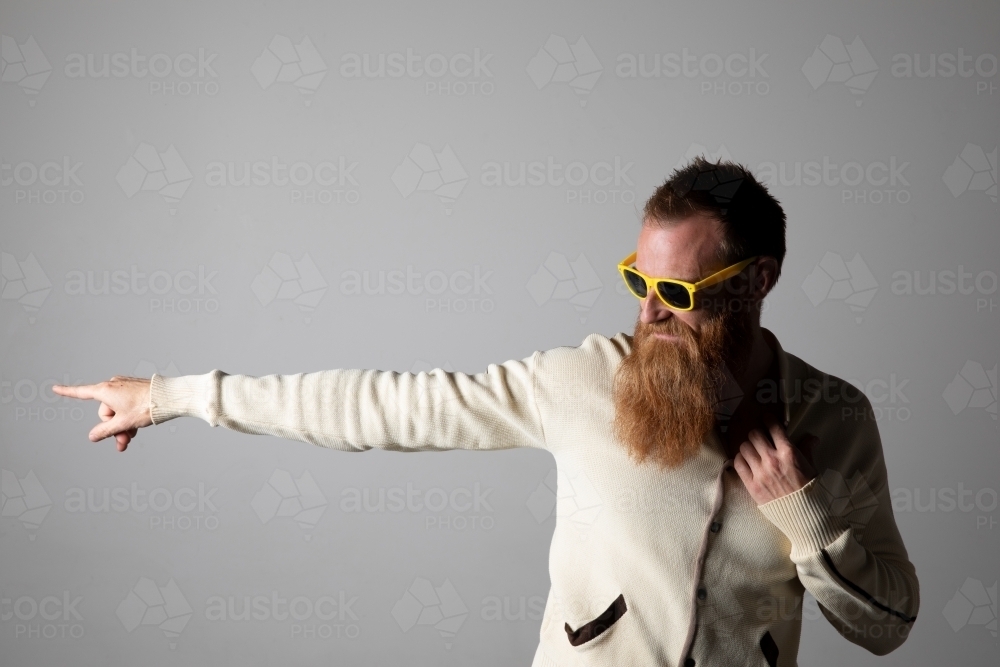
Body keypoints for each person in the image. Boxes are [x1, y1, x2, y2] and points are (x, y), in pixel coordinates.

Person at [54, 157, 918, 667]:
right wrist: (171, 397)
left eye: (679, 291)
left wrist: (809, 522)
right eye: (637, 281)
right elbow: (383, 406)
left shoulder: (836, 419)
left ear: (758, 280)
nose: (649, 313)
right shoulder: (583, 382)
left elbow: (886, 624)